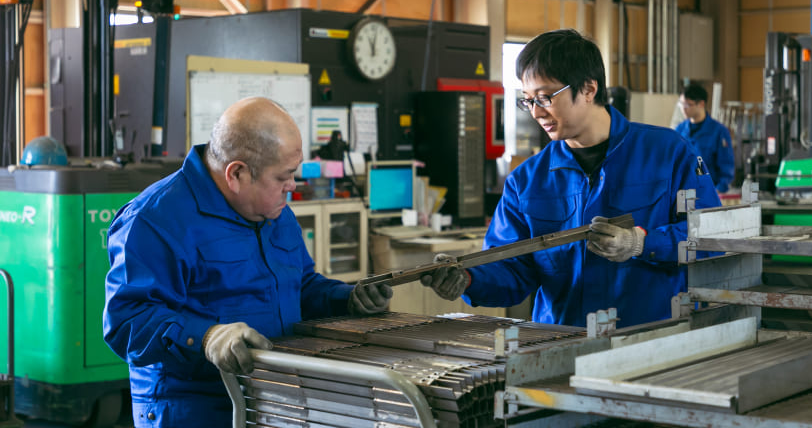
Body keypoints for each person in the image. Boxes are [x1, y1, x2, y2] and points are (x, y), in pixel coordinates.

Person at [103, 97, 392, 427]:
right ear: (237, 173)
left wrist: (348, 298)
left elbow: (300, 287)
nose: (292, 187)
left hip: (272, 399)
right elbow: (126, 321)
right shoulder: (156, 220)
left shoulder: (273, 212)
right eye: (284, 176)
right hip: (194, 409)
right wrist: (207, 337)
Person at [421, 29, 721, 328]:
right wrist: (469, 277)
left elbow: (714, 237)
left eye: (544, 97)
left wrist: (642, 243)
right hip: (560, 346)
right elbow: (514, 269)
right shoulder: (526, 181)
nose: (536, 112)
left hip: (652, 342)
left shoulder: (667, 153)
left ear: (589, 89)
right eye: (527, 100)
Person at [675, 83, 735, 193]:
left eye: (688, 105)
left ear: (701, 104)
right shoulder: (679, 130)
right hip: (683, 193)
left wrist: (718, 192)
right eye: (681, 104)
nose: (683, 109)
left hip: (709, 194)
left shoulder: (719, 132)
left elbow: (726, 168)